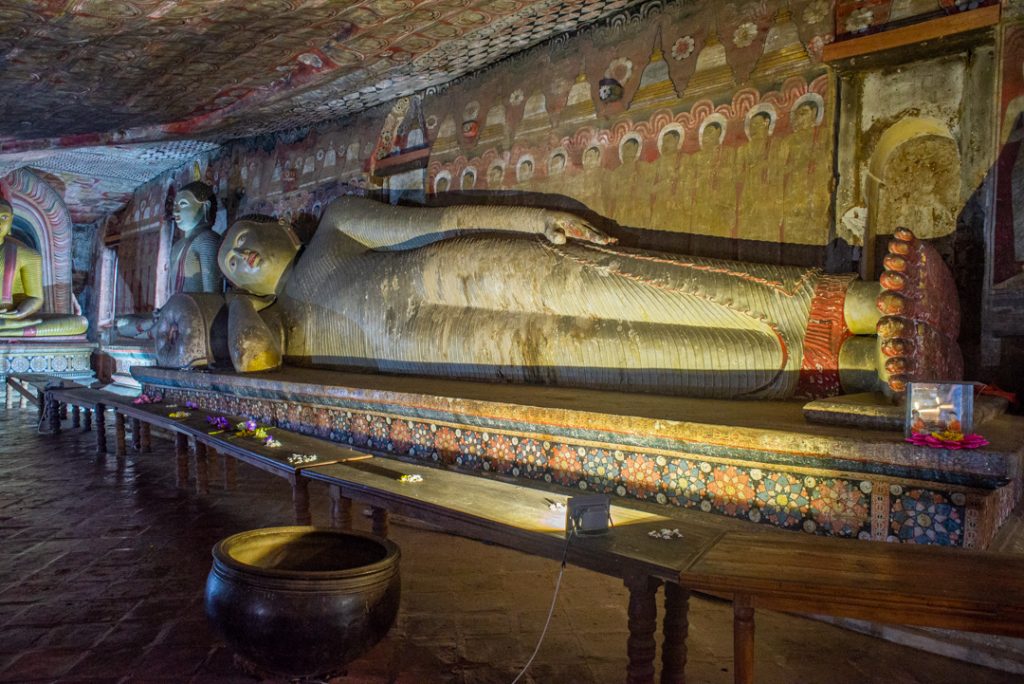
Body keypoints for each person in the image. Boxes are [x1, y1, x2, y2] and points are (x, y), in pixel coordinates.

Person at [155, 198, 961, 400]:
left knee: (627, 287)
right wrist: (216, 324)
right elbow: (250, 359)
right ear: (232, 282)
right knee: (633, 357)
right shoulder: (273, 327)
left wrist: (532, 219)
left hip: (454, 273)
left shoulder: (331, 229)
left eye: (242, 234)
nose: (240, 248)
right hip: (438, 348)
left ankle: (860, 300)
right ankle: (867, 365)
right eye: (231, 258)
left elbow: (439, 222)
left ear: (279, 226)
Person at [116, 181, 223, 339]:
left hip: (193, 315)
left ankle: (151, 330)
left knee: (137, 329)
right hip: (174, 313)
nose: (176, 210)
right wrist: (163, 311)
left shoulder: (207, 240)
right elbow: (176, 292)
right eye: (176, 205)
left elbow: (212, 295)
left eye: (184, 204)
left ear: (205, 207)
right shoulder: (178, 246)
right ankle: (152, 327)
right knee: (121, 323)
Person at [0, 198, 87, 337]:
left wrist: (20, 312)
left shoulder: (28, 255)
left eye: (4, 217)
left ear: (11, 220)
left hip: (14, 317)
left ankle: (13, 329)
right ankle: (12, 330)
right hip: (10, 322)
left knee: (80, 322)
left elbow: (35, 298)